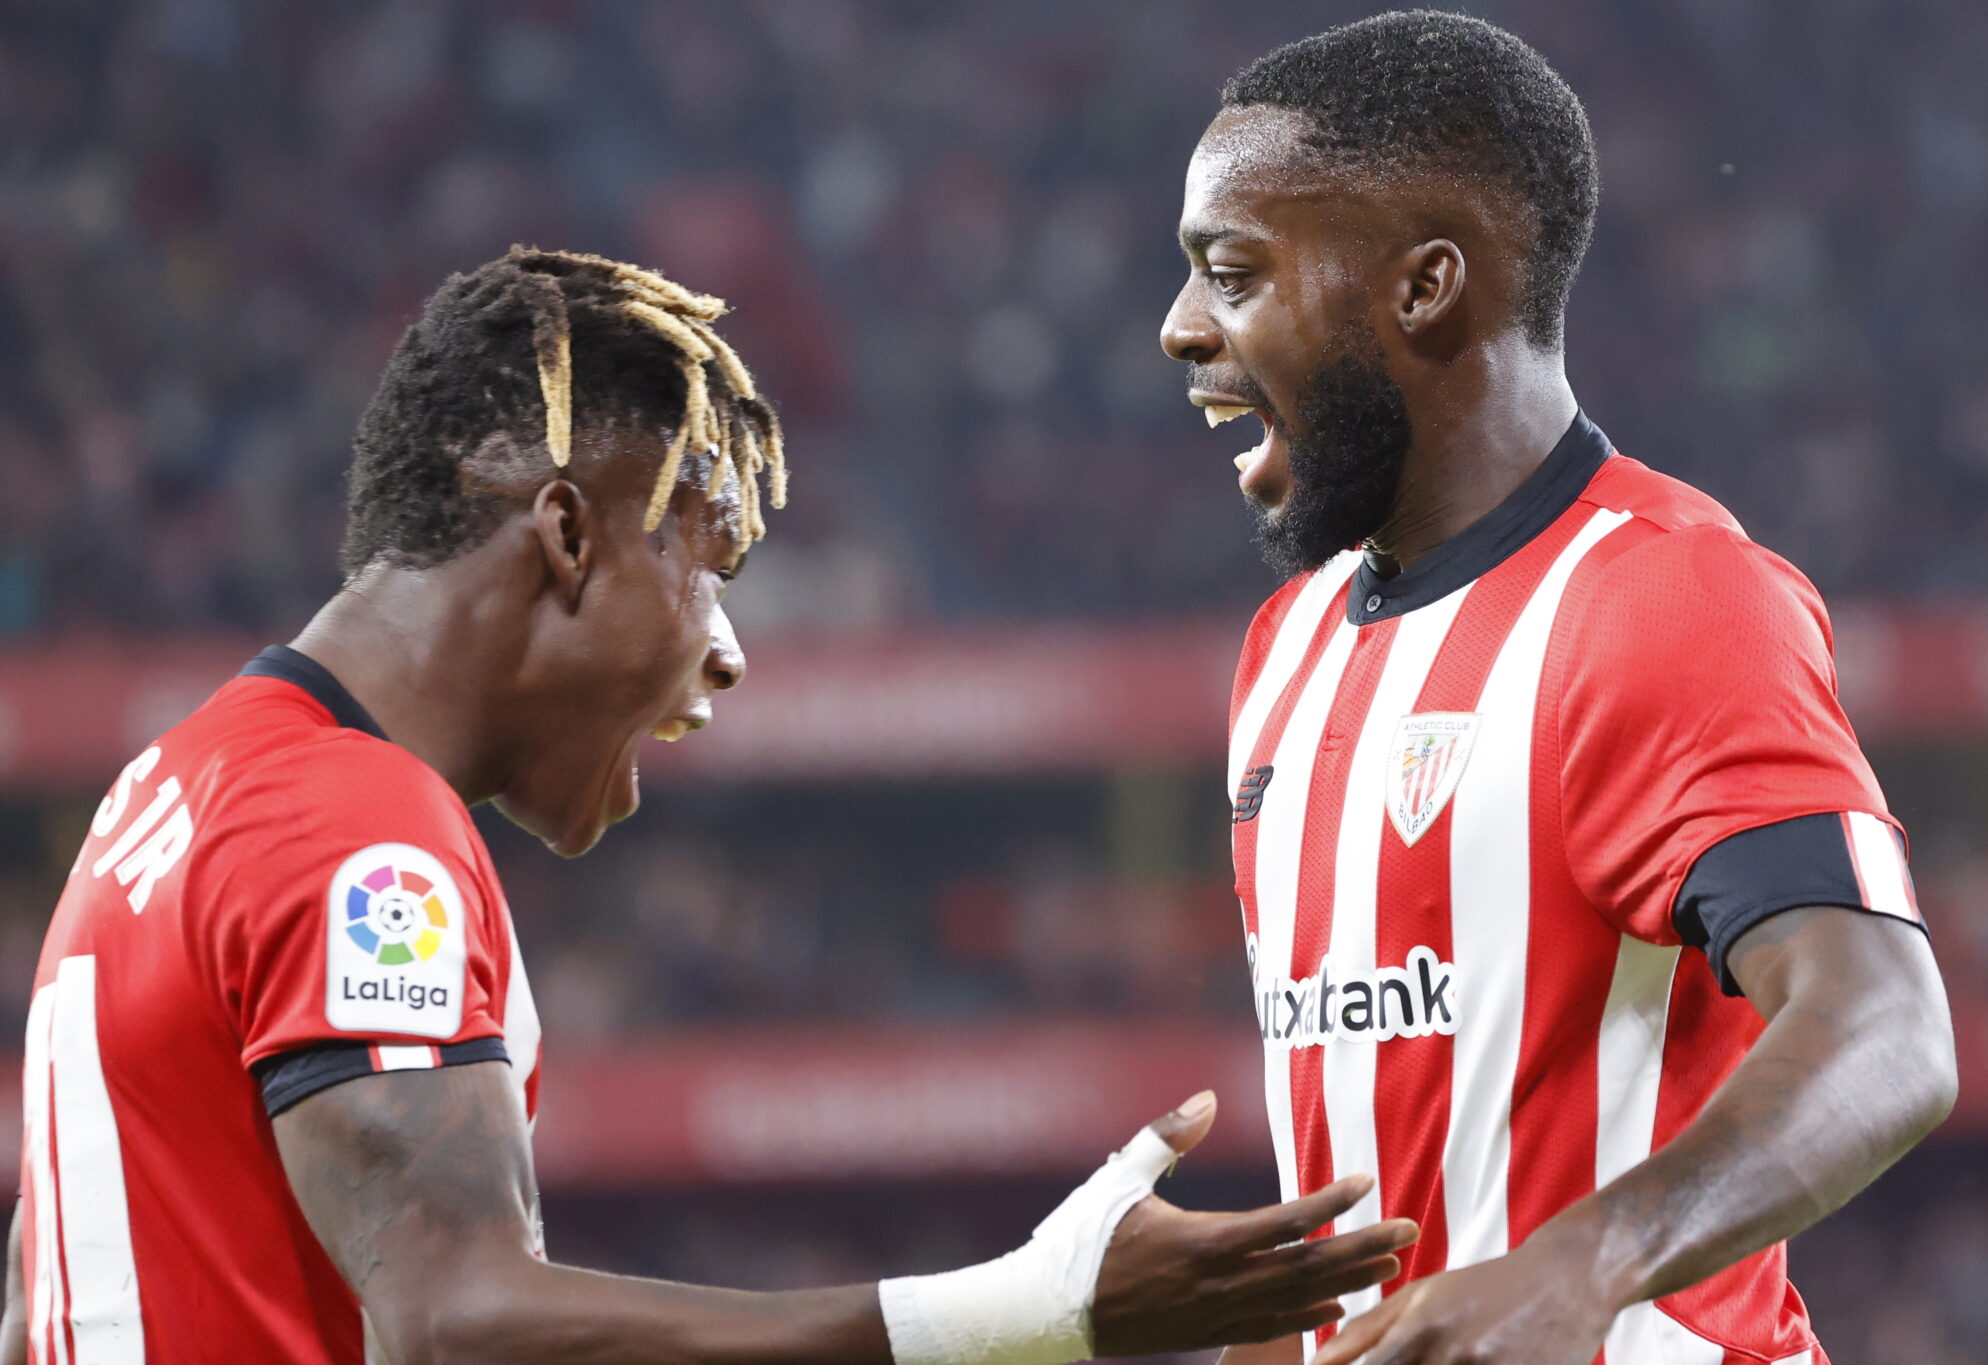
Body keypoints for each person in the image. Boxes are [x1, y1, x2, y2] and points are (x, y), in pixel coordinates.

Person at [3, 247, 1420, 1364]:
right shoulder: (352, 823)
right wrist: (1020, 1314)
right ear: (567, 533)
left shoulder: (170, 790)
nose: (731, 650)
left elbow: (38, 1308)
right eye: (710, 563)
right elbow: (459, 1321)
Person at [1159, 14, 1956, 1365]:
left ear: (1426, 286)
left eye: (1233, 274)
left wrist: (1583, 1265)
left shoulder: (1664, 595)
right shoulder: (1288, 642)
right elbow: (1387, 1174)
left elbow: (1886, 1028)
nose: (1181, 328)